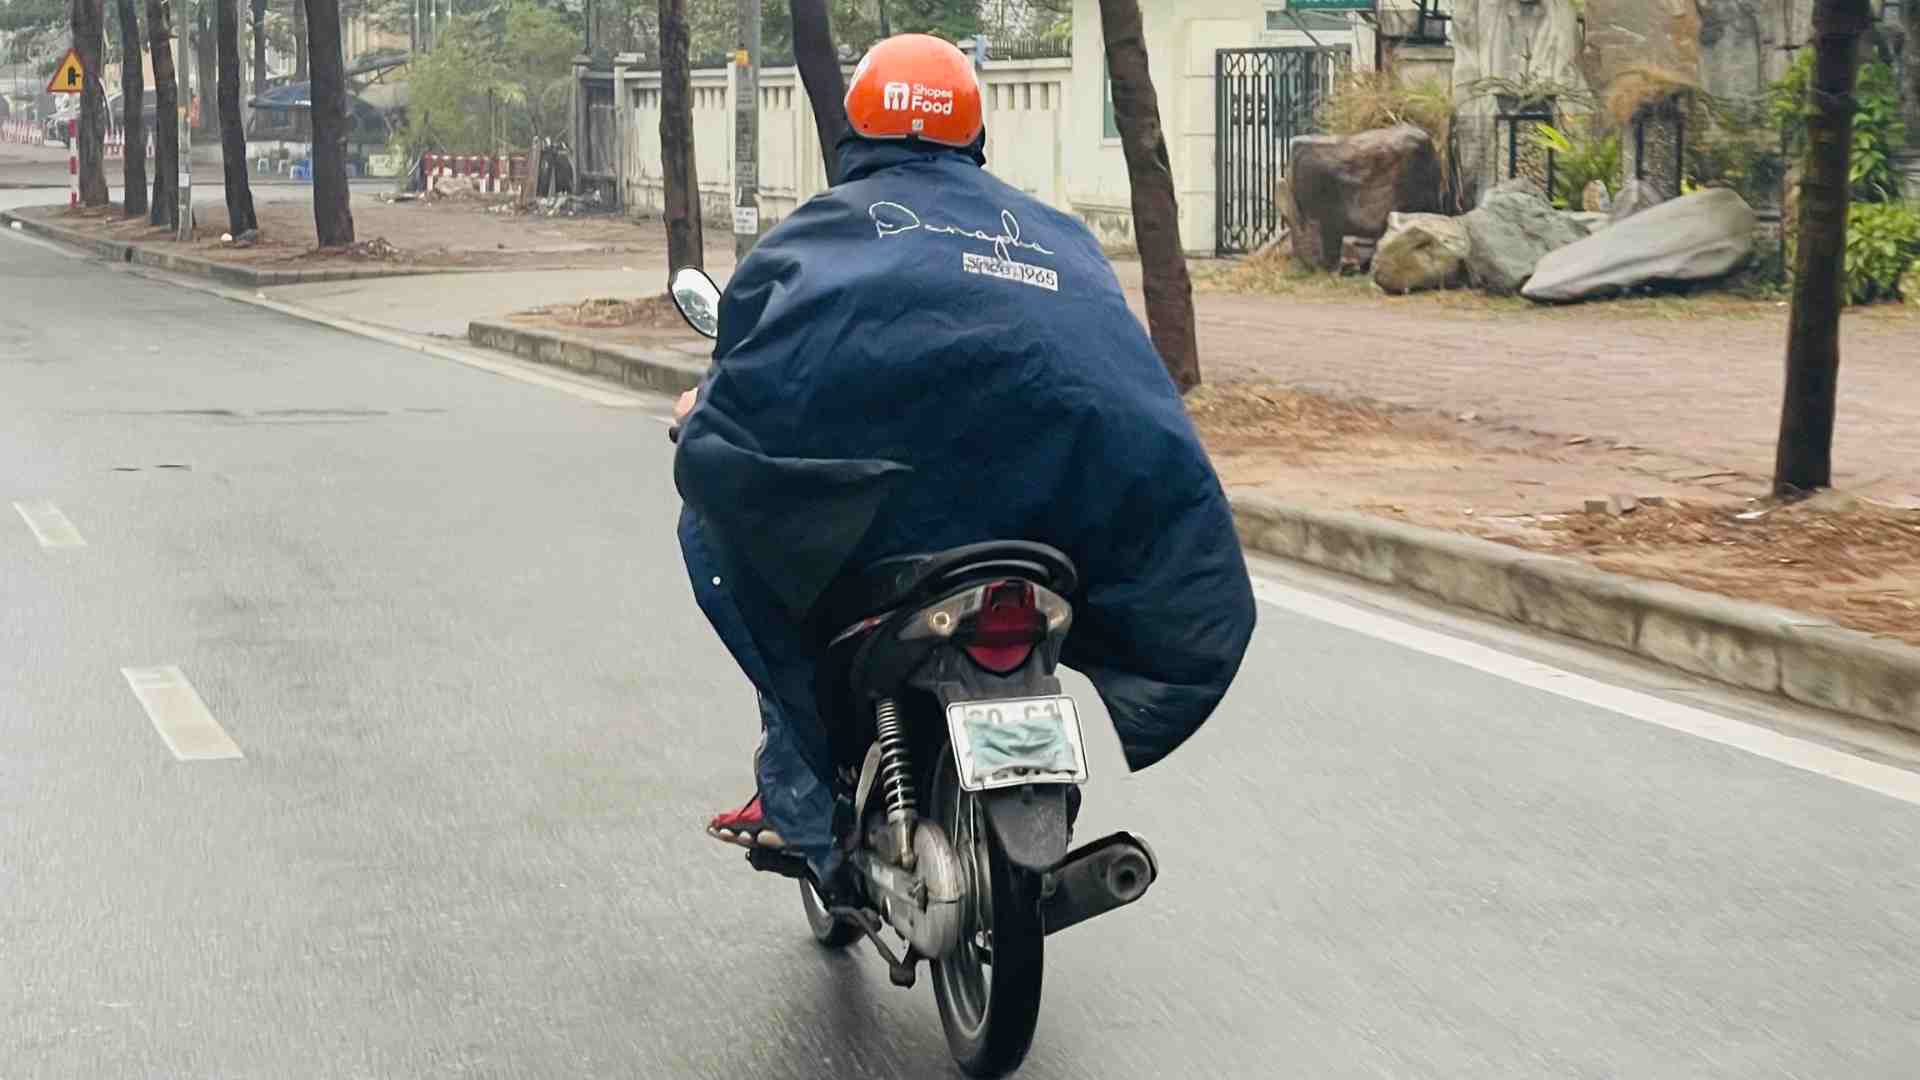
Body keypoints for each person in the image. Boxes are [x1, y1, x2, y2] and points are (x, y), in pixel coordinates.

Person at [672, 34, 1256, 882]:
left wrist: (704, 418)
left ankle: (803, 795)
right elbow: (1122, 387)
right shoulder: (1060, 238)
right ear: (976, 136)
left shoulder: (817, 234)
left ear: (856, 134)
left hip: (891, 535)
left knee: (731, 539)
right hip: (1045, 528)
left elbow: (755, 374)